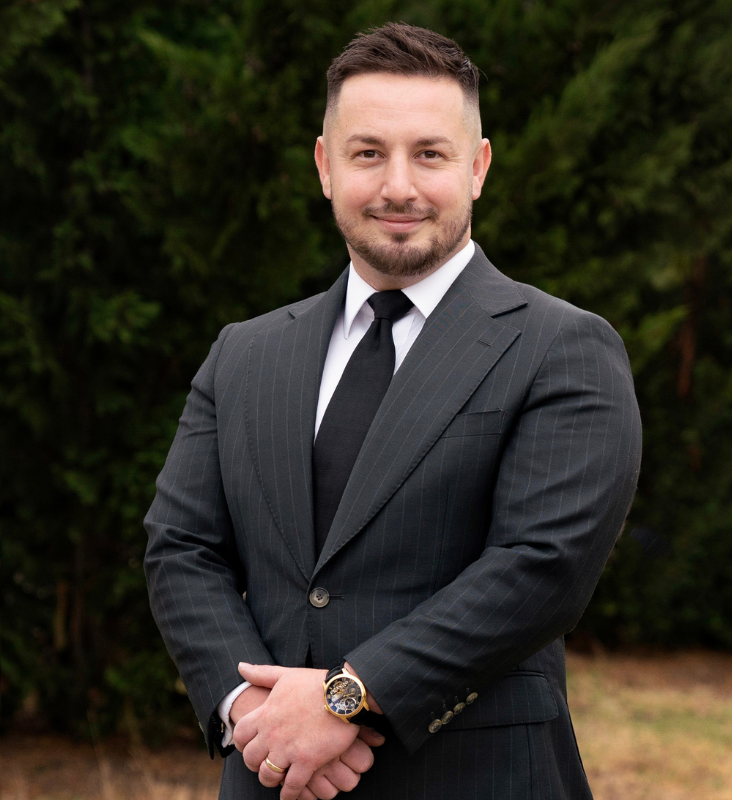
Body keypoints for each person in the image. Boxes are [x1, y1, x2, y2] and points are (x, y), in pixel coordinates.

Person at [144, 21, 641, 800]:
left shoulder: (562, 346)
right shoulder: (244, 353)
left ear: (478, 168)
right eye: (368, 152)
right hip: (273, 777)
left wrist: (349, 697)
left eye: (430, 154)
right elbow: (180, 548)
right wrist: (251, 714)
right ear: (324, 166)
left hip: (479, 779)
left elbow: (542, 566)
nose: (398, 186)